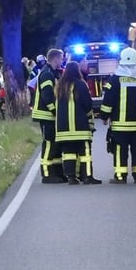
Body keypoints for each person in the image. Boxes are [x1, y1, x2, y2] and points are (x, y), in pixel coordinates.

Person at [98, 48, 136, 183]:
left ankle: (121, 176)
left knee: (120, 150)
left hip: (120, 126)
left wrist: (104, 117)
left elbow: (108, 101)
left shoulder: (114, 80)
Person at [55, 61, 102, 184]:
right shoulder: (81, 84)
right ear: (77, 71)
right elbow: (87, 104)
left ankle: (71, 177)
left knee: (68, 153)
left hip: (64, 127)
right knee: (85, 152)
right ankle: (87, 176)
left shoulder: (60, 85)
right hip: (80, 125)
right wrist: (89, 120)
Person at [31, 49, 66, 183]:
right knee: (49, 144)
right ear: (55, 58)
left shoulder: (52, 73)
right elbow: (48, 97)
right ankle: (46, 174)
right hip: (46, 116)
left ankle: (57, 172)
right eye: (61, 59)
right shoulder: (47, 74)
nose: (62, 61)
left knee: (55, 144)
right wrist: (56, 112)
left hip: (50, 116)